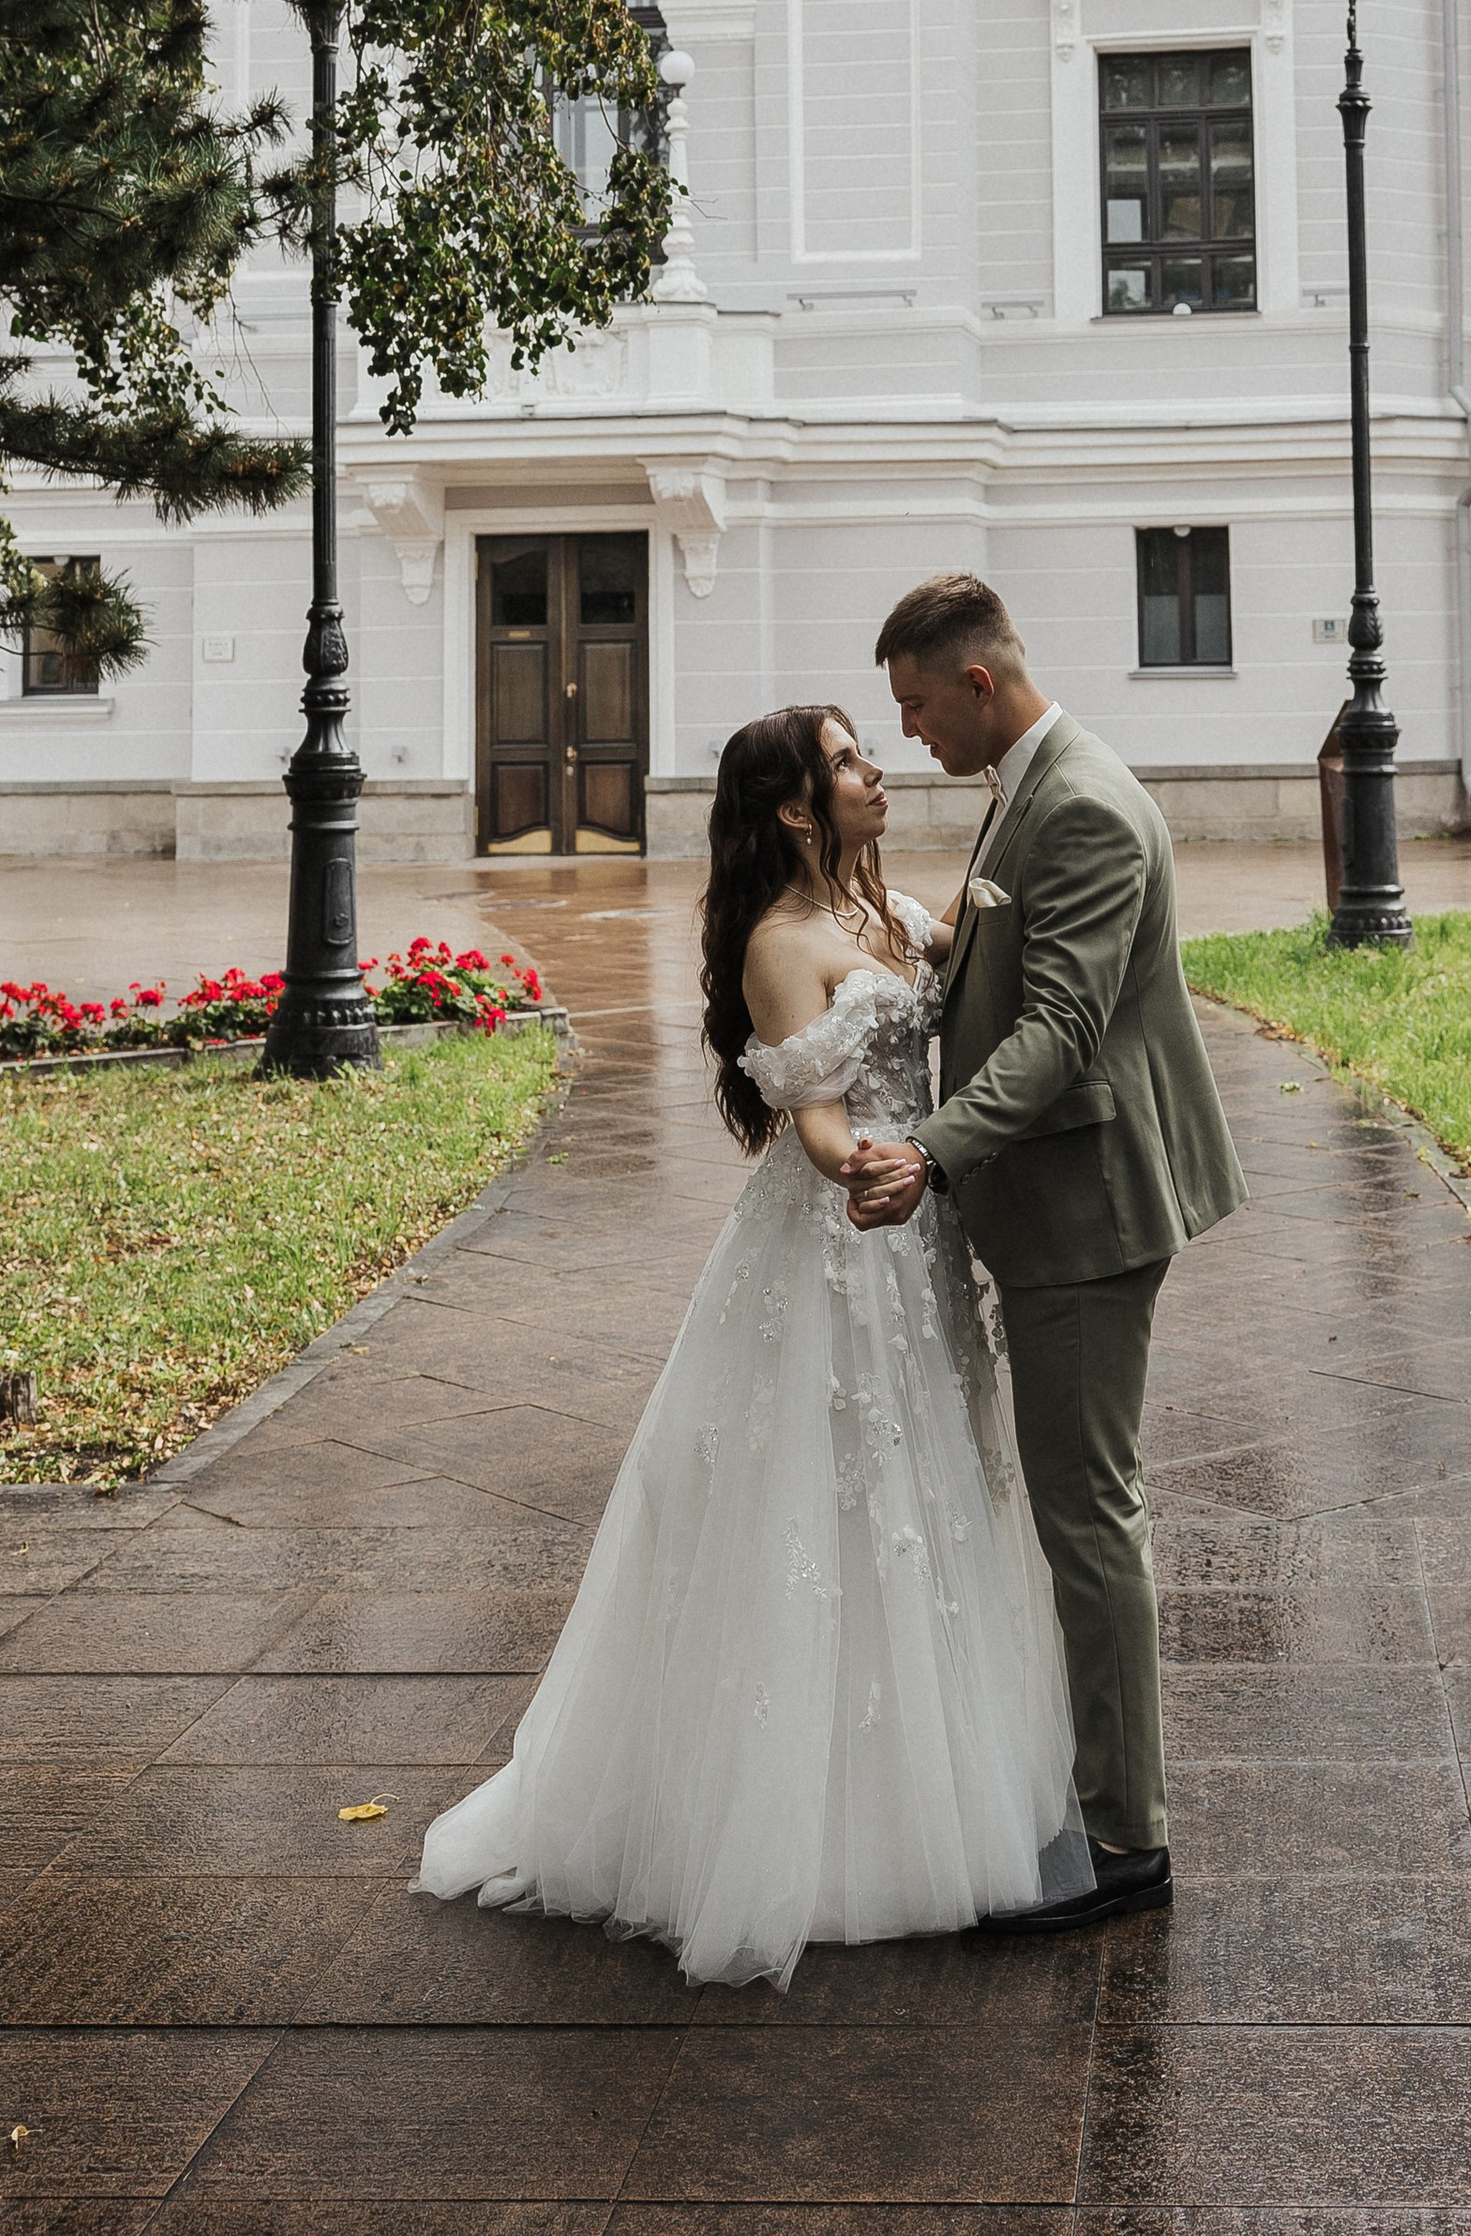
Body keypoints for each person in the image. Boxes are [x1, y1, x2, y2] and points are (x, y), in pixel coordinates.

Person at [413, 703, 1084, 1990]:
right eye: (845, 761)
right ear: (792, 805)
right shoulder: (783, 941)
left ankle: (944, 1776)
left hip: (920, 1242)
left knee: (932, 1492)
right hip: (843, 1246)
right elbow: (818, 1127)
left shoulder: (885, 908)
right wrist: (882, 1169)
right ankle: (819, 1828)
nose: (871, 771)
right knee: (833, 1502)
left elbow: (977, 959)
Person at [846, 572, 1247, 1934]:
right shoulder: (1032, 781)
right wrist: (938, 940)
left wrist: (934, 1151)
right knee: (1083, 1503)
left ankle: (1127, 1840)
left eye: (915, 707)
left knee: (1089, 1512)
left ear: (976, 683)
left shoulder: (1076, 801)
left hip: (1086, 1210)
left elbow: (1063, 1028)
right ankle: (1102, 1798)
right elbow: (1022, 964)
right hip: (1062, 1197)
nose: (909, 739)